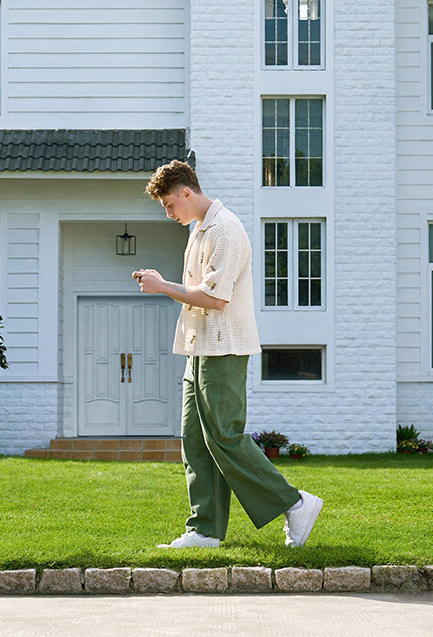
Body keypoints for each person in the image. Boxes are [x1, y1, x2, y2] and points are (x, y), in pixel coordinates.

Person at [132, 160, 322, 548]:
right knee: (196, 440)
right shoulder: (199, 230)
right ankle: (204, 530)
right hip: (198, 348)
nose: (169, 214)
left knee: (225, 435)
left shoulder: (226, 230)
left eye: (170, 205)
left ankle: (295, 503)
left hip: (224, 349)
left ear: (187, 192)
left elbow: (216, 299)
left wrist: (162, 285)